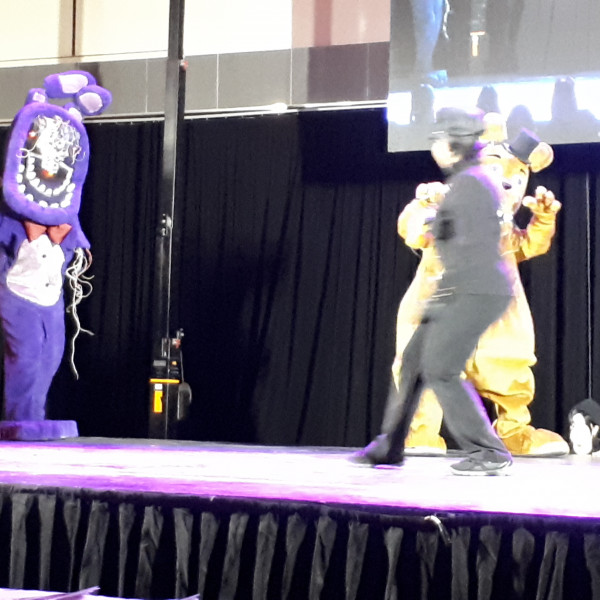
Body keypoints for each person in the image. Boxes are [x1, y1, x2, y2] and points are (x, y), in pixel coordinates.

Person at [353, 107, 513, 475]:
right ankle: (389, 446)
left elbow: (473, 250)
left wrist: (445, 296)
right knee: (412, 361)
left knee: (440, 368)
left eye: (438, 140)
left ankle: (489, 451)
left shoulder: (472, 183)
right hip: (464, 288)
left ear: (454, 145)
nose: (434, 148)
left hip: (475, 290)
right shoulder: (469, 181)